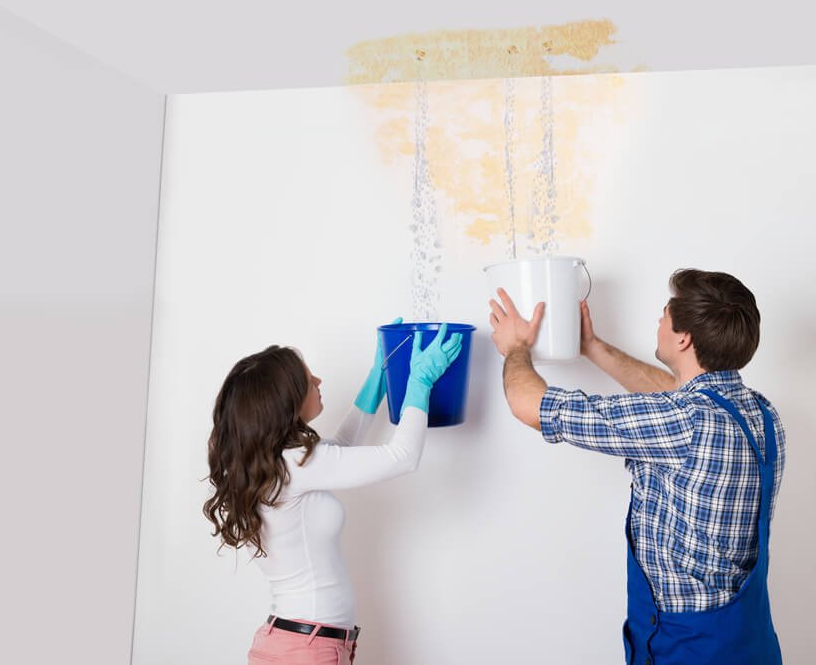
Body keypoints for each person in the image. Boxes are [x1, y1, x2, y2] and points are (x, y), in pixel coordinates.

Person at [489, 268, 786, 665]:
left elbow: (530, 406)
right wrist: (592, 346)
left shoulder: (685, 421)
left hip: (688, 649)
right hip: (750, 643)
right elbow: (670, 395)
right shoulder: (760, 413)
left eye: (665, 312)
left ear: (684, 338)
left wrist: (516, 348)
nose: (659, 320)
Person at [204, 322, 462, 665]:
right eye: (309, 380)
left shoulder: (278, 465)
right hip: (306, 650)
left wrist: (378, 377)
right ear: (288, 401)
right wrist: (420, 382)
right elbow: (403, 456)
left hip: (293, 643)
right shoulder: (294, 464)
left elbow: (338, 451)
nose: (319, 382)